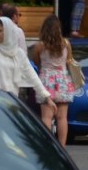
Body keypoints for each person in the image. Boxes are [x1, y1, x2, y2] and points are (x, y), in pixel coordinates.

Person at [0, 15, 49, 101]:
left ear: (8, 31)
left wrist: (45, 95)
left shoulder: (18, 53)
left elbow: (31, 75)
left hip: (11, 98)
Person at [31, 15, 75, 145]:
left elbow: (37, 62)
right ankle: (62, 147)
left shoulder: (39, 46)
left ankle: (48, 146)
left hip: (46, 80)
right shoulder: (66, 44)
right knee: (62, 118)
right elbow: (69, 60)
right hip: (63, 80)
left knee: (46, 117)